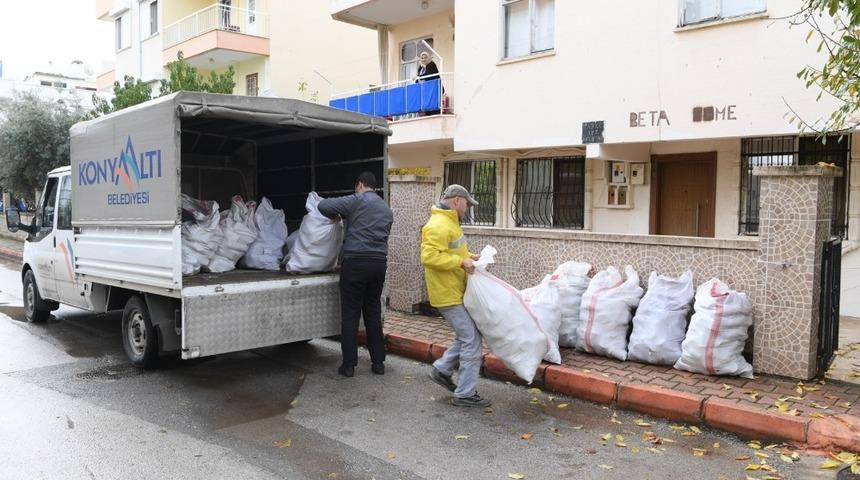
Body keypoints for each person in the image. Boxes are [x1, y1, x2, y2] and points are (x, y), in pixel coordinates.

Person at [420, 184, 490, 407]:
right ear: (457, 200)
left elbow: (451, 251)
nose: (468, 208)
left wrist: (470, 256)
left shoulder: (449, 222)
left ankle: (441, 370)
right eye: (467, 203)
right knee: (472, 338)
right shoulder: (438, 224)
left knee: (467, 335)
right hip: (447, 294)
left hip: (454, 291)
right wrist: (461, 262)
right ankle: (465, 393)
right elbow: (429, 257)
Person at [318, 172, 393, 378]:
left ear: (360, 185)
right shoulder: (387, 209)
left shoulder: (356, 200)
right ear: (375, 187)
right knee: (372, 312)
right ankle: (378, 363)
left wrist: (338, 215)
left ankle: (349, 366)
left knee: (350, 314)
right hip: (378, 264)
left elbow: (323, 206)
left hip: (356, 263)